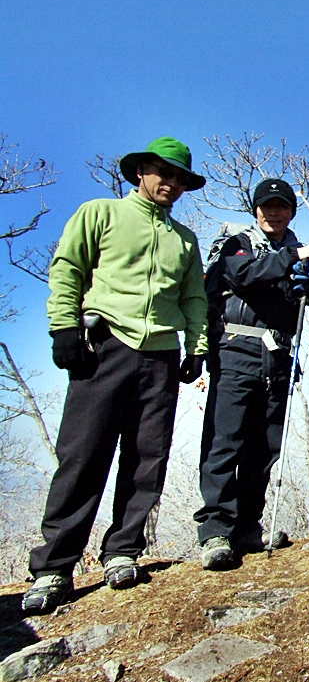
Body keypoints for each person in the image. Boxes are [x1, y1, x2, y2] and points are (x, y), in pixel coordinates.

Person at [23, 137, 209, 615]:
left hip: (162, 355)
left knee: (148, 456)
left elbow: (193, 298)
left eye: (180, 179)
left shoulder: (184, 240)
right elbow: (67, 269)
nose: (171, 184)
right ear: (141, 172)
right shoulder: (100, 213)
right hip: (104, 346)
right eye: (162, 174)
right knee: (83, 453)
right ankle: (53, 567)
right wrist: (64, 327)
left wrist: (197, 347)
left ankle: (123, 550)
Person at [194, 178, 309, 570]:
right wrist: (295, 258)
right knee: (225, 441)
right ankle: (216, 529)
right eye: (267, 206)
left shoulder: (298, 253)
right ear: (255, 209)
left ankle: (248, 526)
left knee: (264, 445)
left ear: (291, 211)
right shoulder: (237, 243)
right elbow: (243, 275)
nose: (274, 212)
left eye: (282, 206)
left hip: (280, 355)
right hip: (236, 350)